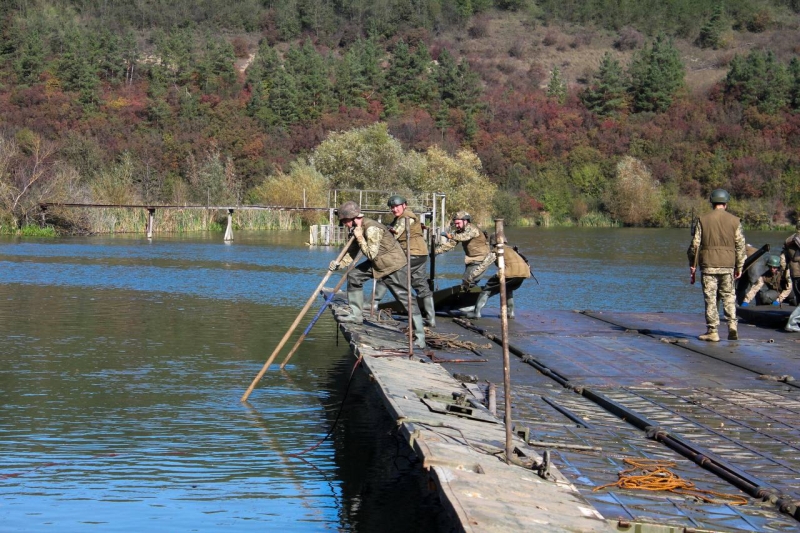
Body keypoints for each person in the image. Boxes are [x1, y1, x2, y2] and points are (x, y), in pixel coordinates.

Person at [328, 201, 426, 348]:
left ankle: (420, 336)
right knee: (354, 276)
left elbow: (371, 254)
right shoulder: (356, 228)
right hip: (378, 263)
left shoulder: (371, 228)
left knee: (405, 298)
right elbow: (352, 252)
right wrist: (338, 263)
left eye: (345, 222)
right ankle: (356, 315)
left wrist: (360, 237)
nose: (345, 225)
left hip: (393, 264)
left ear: (353, 218)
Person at [687, 189, 746, 342]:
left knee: (710, 298)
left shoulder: (703, 219)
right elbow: (740, 246)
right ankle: (732, 325)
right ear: (726, 203)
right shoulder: (735, 220)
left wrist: (692, 264)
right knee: (729, 296)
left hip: (708, 265)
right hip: (728, 265)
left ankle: (712, 331)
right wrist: (739, 266)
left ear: (712, 202)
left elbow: (695, 245)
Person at [372, 195, 437, 327]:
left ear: (404, 205)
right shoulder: (401, 218)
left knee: (387, 273)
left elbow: (396, 232)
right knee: (420, 284)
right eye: (392, 207)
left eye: (396, 206)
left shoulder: (406, 218)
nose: (394, 209)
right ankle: (431, 319)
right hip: (421, 254)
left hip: (410, 254)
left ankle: (372, 305)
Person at [465, 235, 531, 319]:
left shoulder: (496, 251)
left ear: (493, 242)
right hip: (524, 273)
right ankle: (510, 312)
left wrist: (470, 277)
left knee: (486, 290)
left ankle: (476, 313)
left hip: (508, 273)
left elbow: (483, 266)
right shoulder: (512, 249)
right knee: (508, 289)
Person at [434, 211, 495, 290]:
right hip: (471, 260)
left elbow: (464, 237)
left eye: (458, 223)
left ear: (465, 221)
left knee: (469, 282)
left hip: (481, 260)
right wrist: (436, 251)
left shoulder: (472, 229)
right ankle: (468, 298)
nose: (456, 226)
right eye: (455, 224)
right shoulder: (459, 232)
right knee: (466, 282)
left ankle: (475, 296)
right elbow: (451, 244)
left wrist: (450, 235)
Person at [782, 221, 800, 332]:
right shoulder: (797, 238)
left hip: (794, 272)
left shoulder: (788, 239)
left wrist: (785, 272)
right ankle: (792, 323)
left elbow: (784, 258)